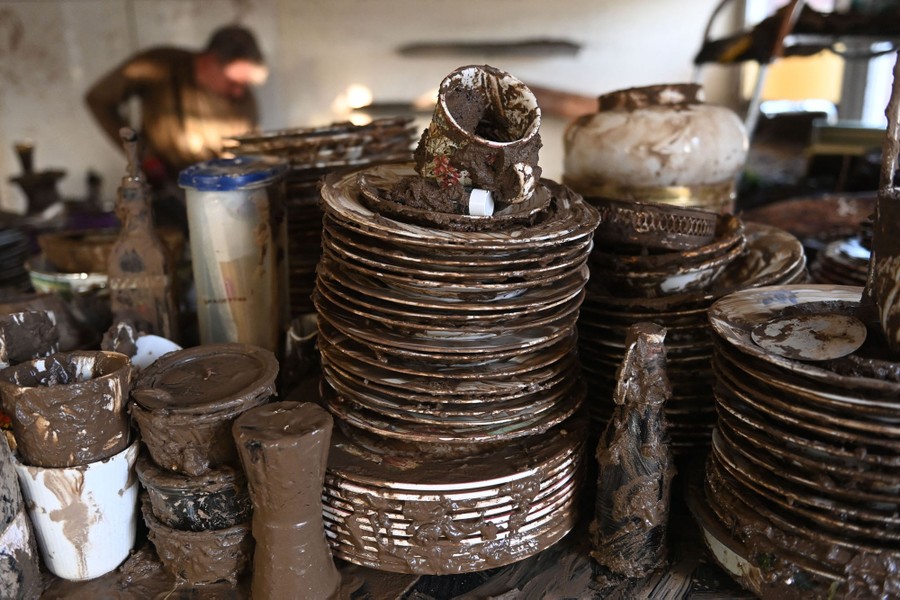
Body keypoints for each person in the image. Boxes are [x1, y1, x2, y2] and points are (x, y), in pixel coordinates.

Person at [85, 25, 268, 193]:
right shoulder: (158, 66)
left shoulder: (244, 102)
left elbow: (246, 159)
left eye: (245, 84)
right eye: (232, 82)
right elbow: (99, 98)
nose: (239, 92)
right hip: (163, 191)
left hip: (216, 195)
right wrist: (139, 154)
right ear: (208, 62)